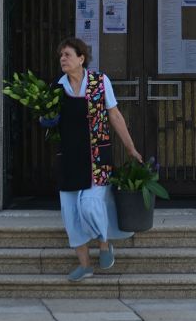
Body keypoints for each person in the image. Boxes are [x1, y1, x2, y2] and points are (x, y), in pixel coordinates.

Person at [48, 37, 143, 282]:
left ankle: (103, 243)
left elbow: (115, 115)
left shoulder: (100, 82)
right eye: (61, 56)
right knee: (71, 213)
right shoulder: (57, 88)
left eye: (67, 55)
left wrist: (130, 147)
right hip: (68, 157)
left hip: (97, 157)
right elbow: (48, 120)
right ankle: (85, 265)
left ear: (81, 58)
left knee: (89, 205)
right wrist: (45, 120)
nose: (63, 59)